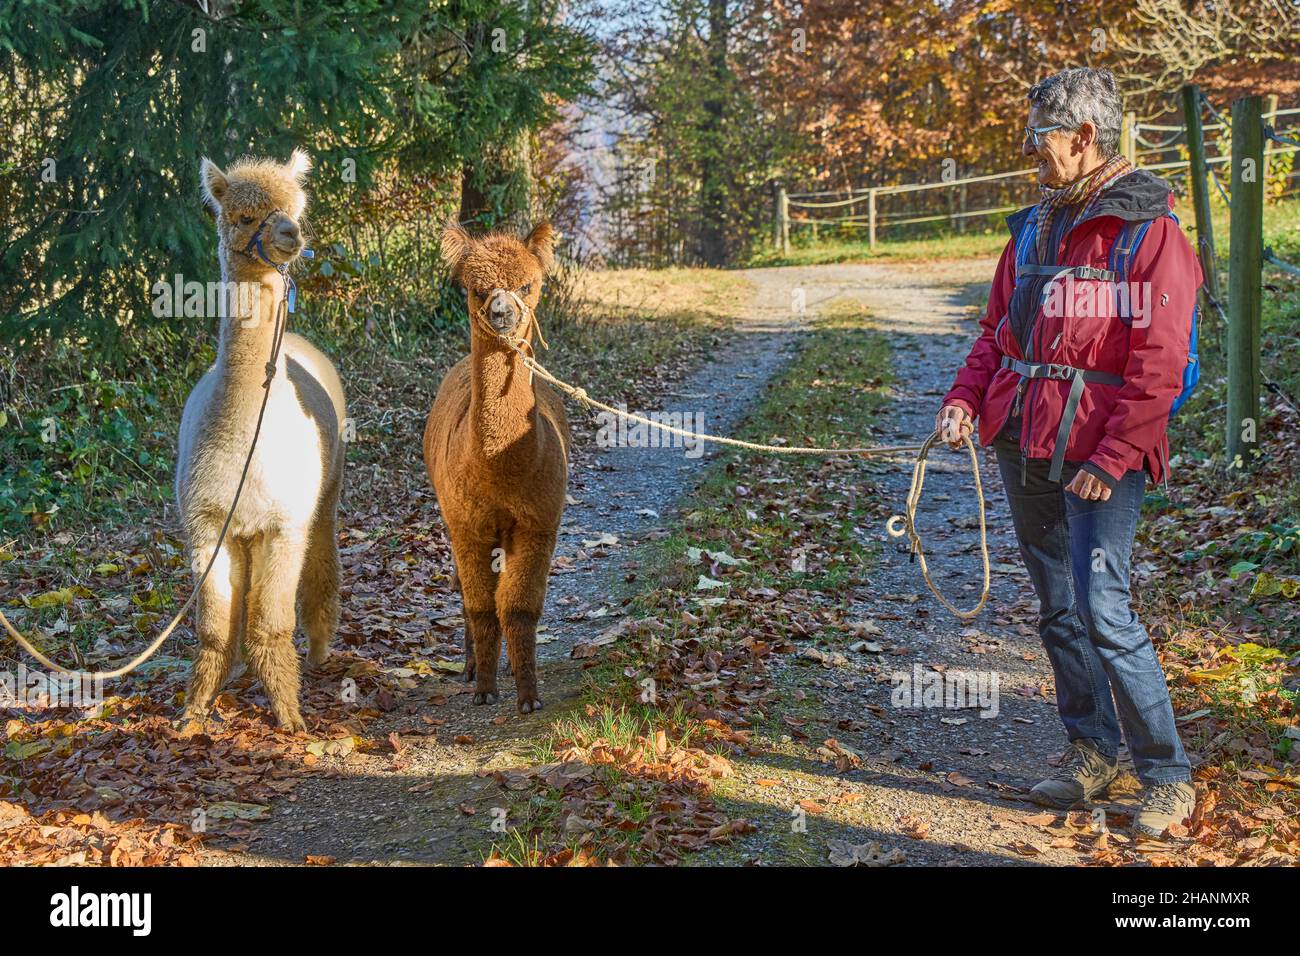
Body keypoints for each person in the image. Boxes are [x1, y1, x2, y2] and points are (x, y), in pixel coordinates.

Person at [936, 67, 1199, 838]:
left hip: (1100, 459)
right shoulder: (1033, 227)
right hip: (1024, 439)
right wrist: (962, 398)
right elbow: (996, 335)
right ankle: (1092, 753)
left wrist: (1112, 458)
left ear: (1084, 139)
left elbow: (1160, 365)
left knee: (1103, 607)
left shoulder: (1151, 234)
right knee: (1058, 607)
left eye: (1038, 140)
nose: (1030, 156)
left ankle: (1167, 775)